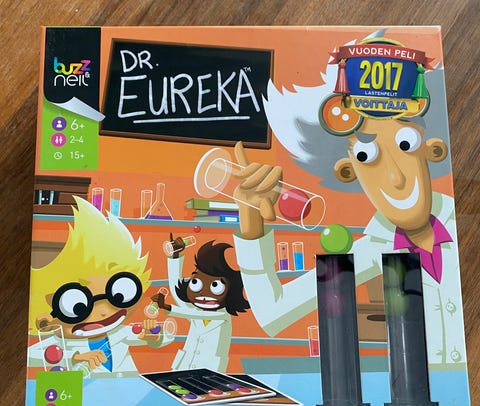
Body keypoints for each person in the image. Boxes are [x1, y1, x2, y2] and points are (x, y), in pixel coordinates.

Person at [231, 60, 465, 366]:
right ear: (348, 171)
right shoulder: (372, 251)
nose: (395, 178)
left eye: (405, 144)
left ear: (433, 149)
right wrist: (252, 226)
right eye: (367, 156)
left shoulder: (463, 223)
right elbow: (273, 313)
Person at [28, 197, 173, 378]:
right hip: (83, 391)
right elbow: (31, 355)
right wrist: (76, 356)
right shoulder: (61, 342)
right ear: (49, 317)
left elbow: (167, 337)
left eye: (118, 296)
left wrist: (155, 336)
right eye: (77, 306)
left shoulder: (121, 332)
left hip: (127, 388)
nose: (104, 312)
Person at [153, 237, 249, 373]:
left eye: (216, 286)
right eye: (196, 283)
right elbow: (176, 289)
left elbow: (196, 314)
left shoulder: (223, 316)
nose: (203, 294)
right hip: (183, 367)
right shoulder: (195, 310)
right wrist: (175, 256)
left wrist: (168, 307)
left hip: (210, 371)